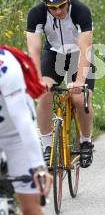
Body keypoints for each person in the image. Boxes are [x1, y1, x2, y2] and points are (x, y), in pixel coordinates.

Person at [26, 0, 95, 168]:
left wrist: (79, 81)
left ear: (68, 0)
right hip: (54, 54)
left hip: (79, 54)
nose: (58, 11)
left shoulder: (81, 11)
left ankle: (86, 142)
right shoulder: (36, 14)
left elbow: (85, 47)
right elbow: (34, 50)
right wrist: (38, 80)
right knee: (44, 93)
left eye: (62, 6)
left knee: (80, 98)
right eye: (52, 7)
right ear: (45, 5)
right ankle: (47, 146)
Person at [0, 46, 53, 215]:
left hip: (15, 137)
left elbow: (22, 120)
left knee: (31, 208)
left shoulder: (5, 64)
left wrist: (39, 167)